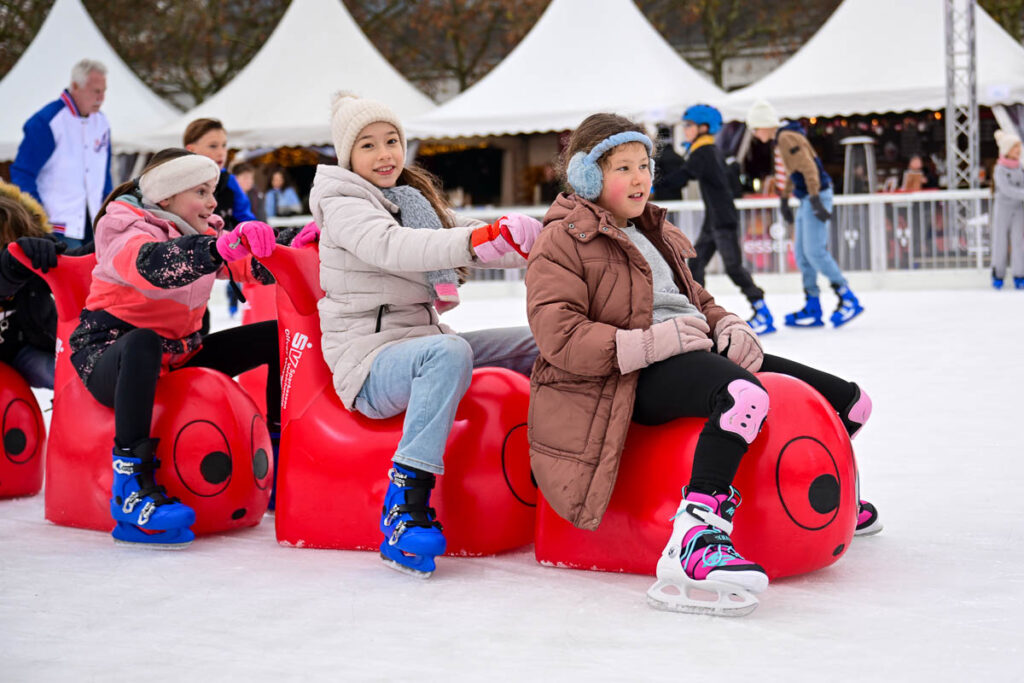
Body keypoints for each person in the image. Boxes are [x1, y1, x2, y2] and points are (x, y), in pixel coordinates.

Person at [524, 113, 881, 617]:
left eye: (644, 165)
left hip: (693, 349)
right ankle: (695, 539)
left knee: (849, 403)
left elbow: (698, 302)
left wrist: (730, 325)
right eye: (623, 167)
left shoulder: (657, 232)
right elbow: (559, 337)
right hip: (623, 377)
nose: (640, 178)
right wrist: (648, 343)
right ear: (586, 176)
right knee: (743, 397)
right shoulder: (561, 241)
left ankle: (833, 497)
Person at [310, 93, 542, 577]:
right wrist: (477, 241)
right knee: (448, 351)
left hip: (425, 343)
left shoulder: (407, 200)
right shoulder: (344, 202)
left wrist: (533, 241)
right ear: (347, 156)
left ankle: (551, 467)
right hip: (370, 366)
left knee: (534, 341)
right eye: (369, 145)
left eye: (392, 140)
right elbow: (393, 246)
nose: (385, 154)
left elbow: (459, 229)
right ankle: (406, 502)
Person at [67, 149, 306, 548]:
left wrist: (294, 243)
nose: (214, 202)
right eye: (201, 190)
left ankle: (280, 459)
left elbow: (249, 265)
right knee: (142, 340)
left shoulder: (201, 232)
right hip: (110, 355)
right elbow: (152, 266)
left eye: (213, 190)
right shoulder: (123, 227)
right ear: (166, 196)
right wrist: (214, 250)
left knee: (275, 336)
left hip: (179, 354)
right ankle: (131, 483)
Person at [653, 104, 774, 335]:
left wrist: (650, 185)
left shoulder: (704, 152)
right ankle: (699, 313)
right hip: (715, 219)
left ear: (704, 127)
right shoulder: (708, 150)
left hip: (722, 219)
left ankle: (762, 310)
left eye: (689, 125)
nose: (686, 130)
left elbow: (681, 177)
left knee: (733, 268)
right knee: (696, 265)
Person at [746, 100, 864, 328]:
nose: (754, 133)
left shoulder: (785, 138)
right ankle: (813, 303)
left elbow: (809, 168)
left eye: (754, 128)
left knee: (815, 252)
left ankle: (847, 297)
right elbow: (794, 172)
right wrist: (784, 197)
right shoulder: (782, 139)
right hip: (807, 197)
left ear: (763, 125)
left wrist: (816, 197)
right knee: (801, 253)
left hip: (815, 196)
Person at [10, 59, 111, 249]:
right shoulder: (47, 121)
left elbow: (104, 174)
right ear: (75, 86)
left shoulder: (102, 123)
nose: (101, 97)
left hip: (95, 224)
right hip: (58, 226)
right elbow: (23, 173)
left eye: (104, 91)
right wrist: (37, 217)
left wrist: (110, 209)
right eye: (96, 91)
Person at [0, 181, 90, 389]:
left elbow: (77, 264)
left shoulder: (31, 256)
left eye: (10, 243)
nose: (8, 251)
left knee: (65, 374)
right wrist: (11, 265)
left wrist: (108, 242)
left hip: (22, 349)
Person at [183, 119, 259, 328]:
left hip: (221, 258)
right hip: (184, 264)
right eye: (213, 146)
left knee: (203, 321)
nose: (221, 152)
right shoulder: (179, 182)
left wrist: (254, 234)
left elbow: (245, 217)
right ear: (191, 149)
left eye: (224, 145)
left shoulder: (229, 182)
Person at [990, 129, 1024, 290]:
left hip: (1018, 209)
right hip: (1003, 208)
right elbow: (1006, 189)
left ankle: (1019, 274)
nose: (1019, 150)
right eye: (1016, 147)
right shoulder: (1000, 169)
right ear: (1008, 150)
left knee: (1019, 241)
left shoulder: (1020, 168)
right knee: (1000, 241)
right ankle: (998, 273)